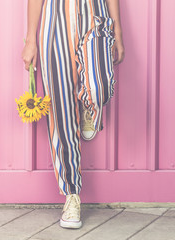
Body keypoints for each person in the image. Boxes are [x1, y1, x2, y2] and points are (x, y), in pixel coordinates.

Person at [22, 0, 125, 229]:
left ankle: (90, 106)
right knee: (60, 111)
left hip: (95, 17)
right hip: (55, 22)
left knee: (100, 88)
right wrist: (31, 39)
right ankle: (72, 194)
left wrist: (117, 31)